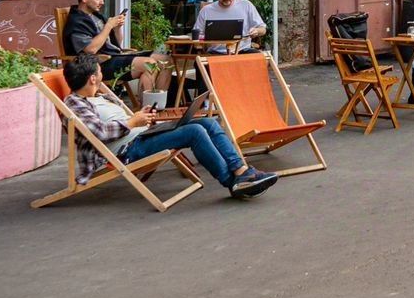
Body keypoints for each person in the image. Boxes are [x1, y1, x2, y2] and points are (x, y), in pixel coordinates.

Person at [62, 54, 278, 199]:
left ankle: (241, 171)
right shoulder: (74, 103)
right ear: (92, 78)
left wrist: (140, 117)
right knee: (194, 132)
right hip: (126, 151)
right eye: (100, 72)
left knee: (209, 122)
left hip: (142, 135)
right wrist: (132, 122)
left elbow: (121, 120)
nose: (103, 75)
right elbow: (97, 132)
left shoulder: (99, 95)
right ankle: (232, 182)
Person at [64, 0, 171, 94]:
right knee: (149, 64)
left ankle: (158, 102)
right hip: (98, 64)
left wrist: (117, 28)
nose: (102, 2)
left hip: (113, 57)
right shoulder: (77, 22)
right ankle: (147, 103)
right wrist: (108, 26)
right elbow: (90, 49)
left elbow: (116, 44)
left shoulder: (96, 16)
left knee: (165, 61)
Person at [193, 0, 267, 53]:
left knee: (259, 56)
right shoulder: (206, 10)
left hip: (242, 51)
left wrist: (257, 31)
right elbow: (196, 34)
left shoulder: (246, 5)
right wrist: (207, 40)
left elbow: (263, 29)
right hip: (215, 52)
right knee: (200, 60)